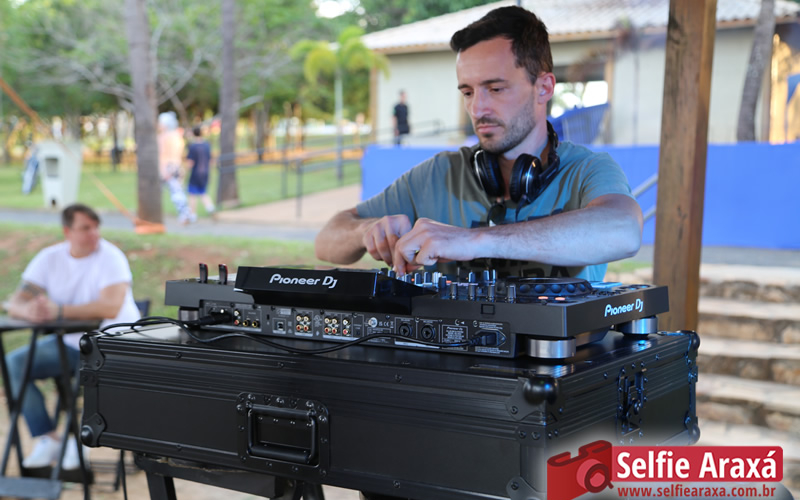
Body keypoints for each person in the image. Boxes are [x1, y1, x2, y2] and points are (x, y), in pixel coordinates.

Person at [315, 5, 642, 284]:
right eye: (468, 92)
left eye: (495, 89)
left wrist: (475, 241)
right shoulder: (439, 174)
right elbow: (326, 240)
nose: (477, 108)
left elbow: (624, 230)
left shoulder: (587, 170)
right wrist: (367, 231)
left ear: (543, 88)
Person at [3, 203, 141, 470]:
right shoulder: (49, 258)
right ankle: (47, 437)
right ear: (67, 231)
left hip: (114, 346)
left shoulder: (112, 257)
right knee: (14, 364)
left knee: (90, 381)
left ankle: (82, 441)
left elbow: (110, 306)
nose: (94, 233)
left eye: (96, 227)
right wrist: (28, 310)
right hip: (70, 343)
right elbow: (16, 301)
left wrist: (59, 310)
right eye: (86, 228)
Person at [158, 111, 194, 225]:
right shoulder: (177, 136)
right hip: (177, 166)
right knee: (178, 191)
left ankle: (185, 214)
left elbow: (163, 155)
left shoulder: (164, 137)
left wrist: (163, 170)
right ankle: (186, 214)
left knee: (174, 192)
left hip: (167, 167)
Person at [186, 125, 216, 219]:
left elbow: (190, 162)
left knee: (192, 194)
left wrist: (185, 172)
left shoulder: (193, 146)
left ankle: (192, 215)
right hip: (205, 172)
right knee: (203, 192)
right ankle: (210, 208)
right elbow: (211, 160)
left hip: (195, 173)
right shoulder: (207, 145)